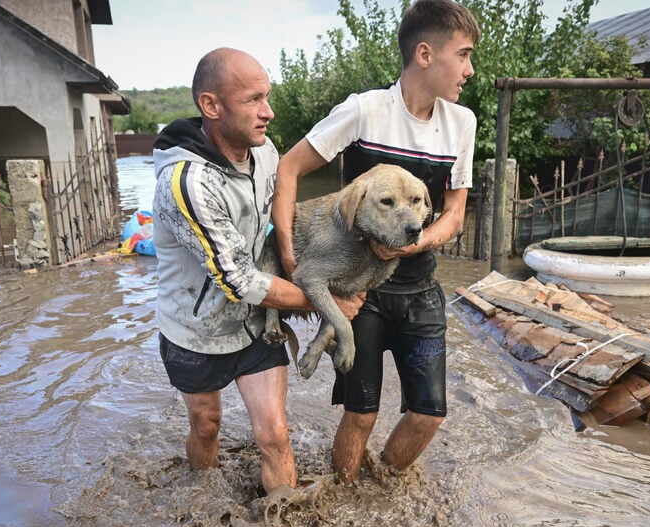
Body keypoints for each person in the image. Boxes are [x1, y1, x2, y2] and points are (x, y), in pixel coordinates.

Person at [273, 0, 480, 484]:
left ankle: (383, 488)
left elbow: (454, 214)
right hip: (358, 292)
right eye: (464, 55)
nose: (470, 70)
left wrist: (415, 243)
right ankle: (343, 497)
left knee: (429, 414)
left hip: (420, 290)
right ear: (425, 54)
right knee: (361, 415)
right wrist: (289, 261)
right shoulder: (364, 111)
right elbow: (287, 169)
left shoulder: (462, 124)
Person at [151, 48, 364, 494]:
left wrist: (344, 257)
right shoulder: (187, 183)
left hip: (254, 325)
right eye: (253, 100)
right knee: (207, 425)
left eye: (267, 97)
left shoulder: (265, 151)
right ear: (211, 106)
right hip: (196, 331)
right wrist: (327, 302)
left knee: (274, 434)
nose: (268, 112)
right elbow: (238, 281)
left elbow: (286, 219)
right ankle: (201, 501)